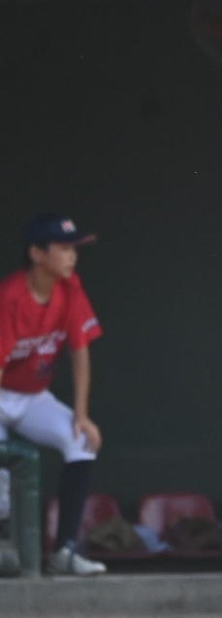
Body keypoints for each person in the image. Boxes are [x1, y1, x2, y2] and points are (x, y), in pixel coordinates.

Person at [0, 215, 105, 576]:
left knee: (82, 442)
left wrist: (81, 413)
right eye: (63, 249)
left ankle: (65, 551)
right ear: (36, 253)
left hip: (32, 396)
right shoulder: (10, 296)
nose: (71, 256)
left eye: (74, 248)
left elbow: (80, 350)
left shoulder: (70, 289)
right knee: (1, 492)